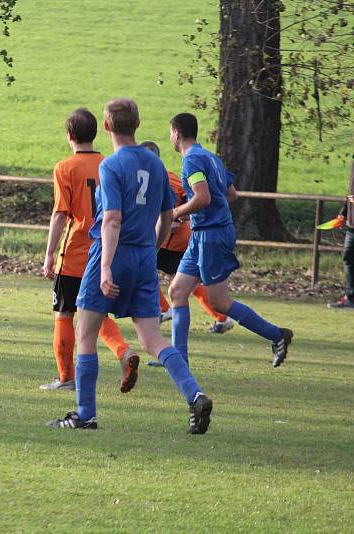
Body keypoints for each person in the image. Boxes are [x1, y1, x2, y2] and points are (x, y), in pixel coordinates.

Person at [48, 98, 213, 434]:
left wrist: (106, 266)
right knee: (152, 338)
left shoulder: (110, 165)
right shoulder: (155, 165)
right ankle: (194, 394)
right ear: (137, 125)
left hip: (112, 252)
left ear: (107, 127)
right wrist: (151, 248)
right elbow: (168, 215)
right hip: (142, 257)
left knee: (86, 332)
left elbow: (111, 220)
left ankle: (85, 414)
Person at [167, 113, 293, 368]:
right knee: (177, 291)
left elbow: (202, 198)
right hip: (204, 232)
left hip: (211, 235)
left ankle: (277, 335)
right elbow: (230, 194)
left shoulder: (191, 161)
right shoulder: (210, 157)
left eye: (170, 133)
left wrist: (177, 213)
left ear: (176, 133)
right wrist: (202, 215)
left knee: (219, 302)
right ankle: (179, 360)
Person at [41, 108, 139, 393]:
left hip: (73, 254)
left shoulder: (65, 167)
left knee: (64, 312)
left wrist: (49, 254)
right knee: (95, 312)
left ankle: (65, 377)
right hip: (103, 253)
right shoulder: (110, 164)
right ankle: (123, 351)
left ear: (69, 135)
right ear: (97, 132)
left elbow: (60, 214)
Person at [140, 140, 233, 335]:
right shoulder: (172, 177)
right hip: (183, 237)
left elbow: (172, 210)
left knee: (141, 266)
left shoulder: (153, 180)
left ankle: (163, 310)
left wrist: (172, 220)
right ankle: (222, 317)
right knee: (187, 281)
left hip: (169, 238)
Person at [327, 159, 354, 309]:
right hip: (352, 225)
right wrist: (343, 213)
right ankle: (351, 298)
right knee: (349, 258)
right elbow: (351, 193)